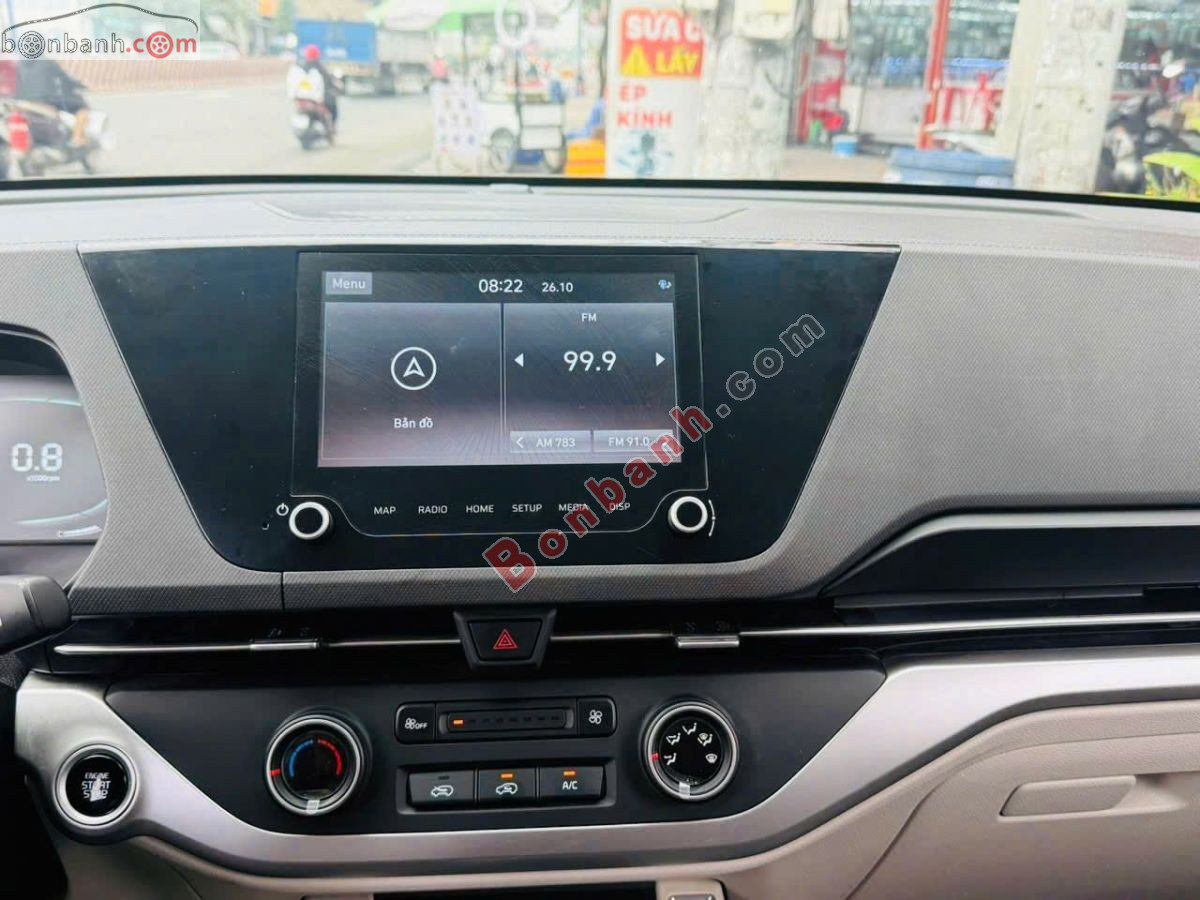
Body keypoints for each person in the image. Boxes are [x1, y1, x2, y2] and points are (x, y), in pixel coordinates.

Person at [16, 58, 90, 146]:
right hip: (46, 100)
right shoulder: (47, 62)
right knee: (82, 108)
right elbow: (64, 77)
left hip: (22, 102)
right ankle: (77, 138)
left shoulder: (18, 64)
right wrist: (81, 85)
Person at [292, 44, 341, 127]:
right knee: (333, 106)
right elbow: (329, 80)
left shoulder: (303, 67)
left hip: (305, 97)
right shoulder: (320, 68)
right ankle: (332, 127)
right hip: (318, 98)